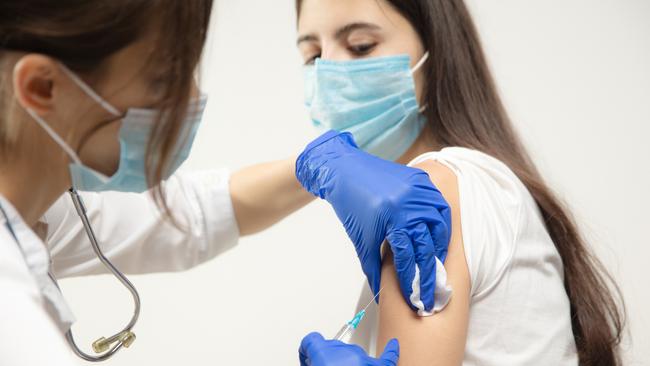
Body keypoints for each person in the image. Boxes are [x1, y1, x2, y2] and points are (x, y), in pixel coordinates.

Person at [0, 1, 453, 365]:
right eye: (164, 78)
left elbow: (190, 214)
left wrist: (315, 165)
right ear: (43, 87)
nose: (192, 100)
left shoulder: (41, 209)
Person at [294, 0, 625, 365]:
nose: (330, 72)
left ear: (436, 52)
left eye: (361, 46)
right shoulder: (487, 182)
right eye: (312, 57)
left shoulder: (433, 190)